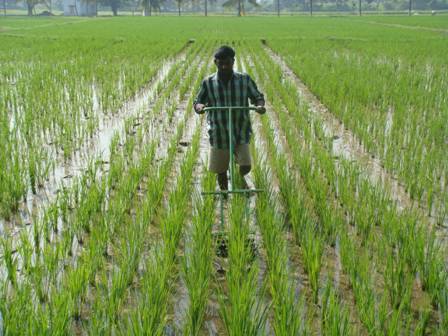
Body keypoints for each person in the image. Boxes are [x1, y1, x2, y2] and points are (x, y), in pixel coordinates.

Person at [194, 45, 266, 193]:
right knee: (220, 170)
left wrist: (259, 106)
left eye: (228, 63)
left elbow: (257, 97)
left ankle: (239, 178)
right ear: (215, 62)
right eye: (221, 64)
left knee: (245, 165)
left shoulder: (244, 79)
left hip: (241, 130)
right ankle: (224, 194)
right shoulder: (208, 83)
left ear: (233, 61)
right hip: (219, 132)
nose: (225, 67)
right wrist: (200, 107)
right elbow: (198, 101)